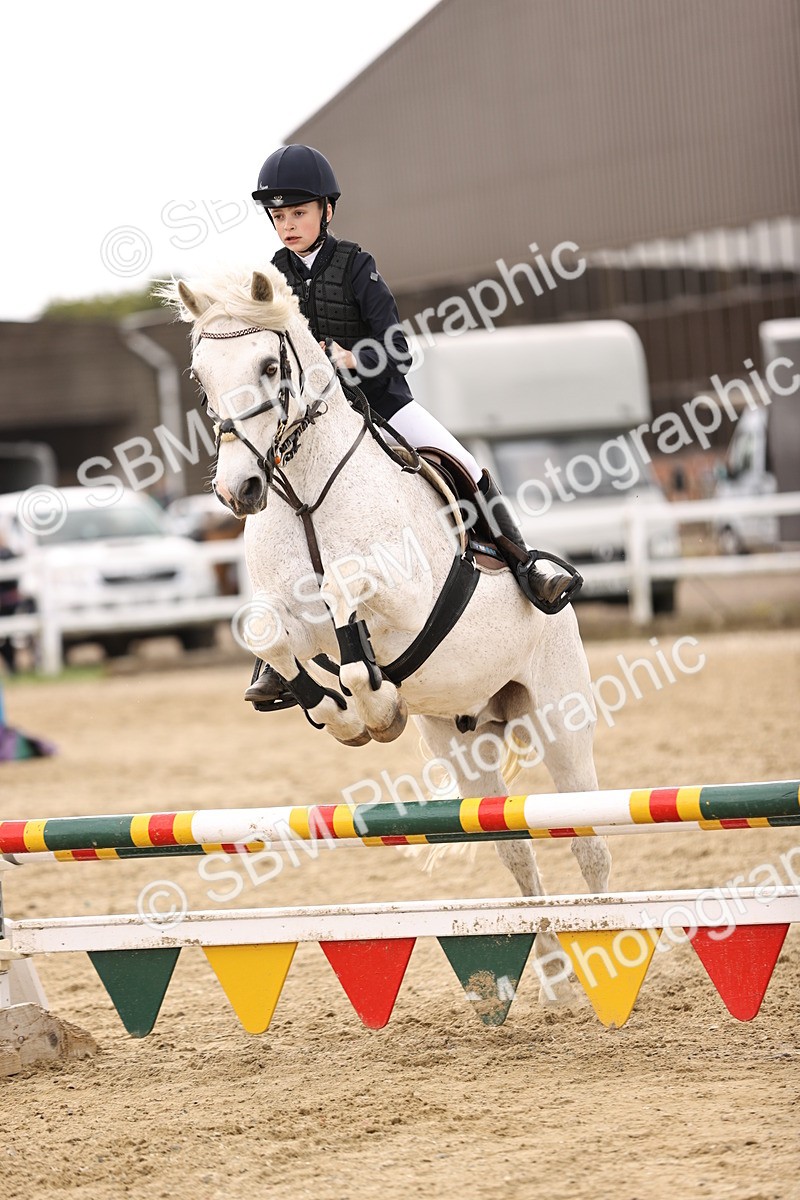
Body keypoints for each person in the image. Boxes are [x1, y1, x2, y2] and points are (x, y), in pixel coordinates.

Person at [245, 144, 578, 708]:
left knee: (465, 465)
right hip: (310, 424)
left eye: (297, 212)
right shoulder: (270, 279)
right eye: (278, 216)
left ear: (327, 210)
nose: (287, 225)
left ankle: (525, 566)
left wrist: (344, 359)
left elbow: (397, 348)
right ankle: (272, 655)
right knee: (271, 499)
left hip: (382, 403)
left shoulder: (355, 265)